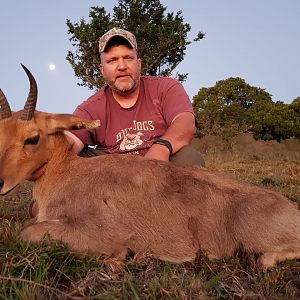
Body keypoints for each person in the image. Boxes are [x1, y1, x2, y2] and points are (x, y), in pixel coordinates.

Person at [66, 27, 205, 167]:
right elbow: (71, 140)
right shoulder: (91, 108)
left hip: (162, 164)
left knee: (189, 157)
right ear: (102, 70)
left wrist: (161, 148)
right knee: (75, 156)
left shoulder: (166, 87)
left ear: (138, 63)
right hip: (114, 172)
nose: (121, 66)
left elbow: (185, 121)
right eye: (112, 60)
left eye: (128, 58)